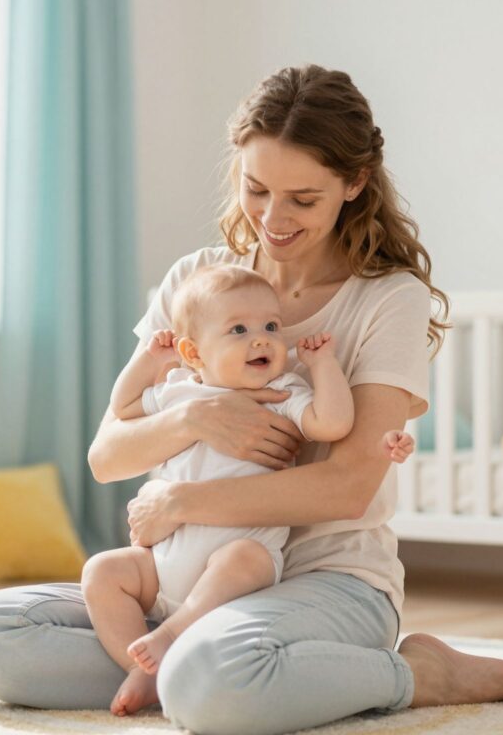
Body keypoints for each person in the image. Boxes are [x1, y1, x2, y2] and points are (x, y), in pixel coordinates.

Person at [0, 64, 503, 734]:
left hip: (328, 580)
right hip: (179, 579)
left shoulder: (388, 299)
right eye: (256, 188)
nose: (273, 218)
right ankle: (188, 666)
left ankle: (416, 674)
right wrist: (195, 415)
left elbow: (347, 487)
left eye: (303, 198)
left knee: (215, 681)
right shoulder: (196, 283)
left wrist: (183, 501)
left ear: (354, 185)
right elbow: (107, 454)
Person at [83, 263, 414, 715]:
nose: (261, 339)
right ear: (193, 353)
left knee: (242, 561)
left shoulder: (282, 390)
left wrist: (323, 368)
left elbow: (333, 423)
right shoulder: (179, 389)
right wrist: (149, 362)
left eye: (271, 327)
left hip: (239, 562)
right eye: (238, 329)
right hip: (163, 568)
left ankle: (174, 638)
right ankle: (143, 668)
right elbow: (122, 408)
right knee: (101, 572)